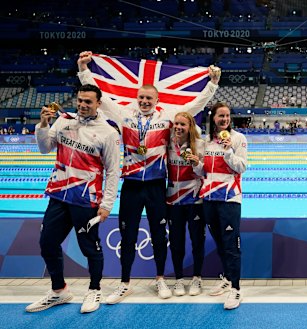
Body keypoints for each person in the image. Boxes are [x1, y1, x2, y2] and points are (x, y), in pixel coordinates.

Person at [77, 51, 219, 303]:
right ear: (137, 97)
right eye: (141, 97)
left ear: (156, 99)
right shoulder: (123, 115)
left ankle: (160, 279)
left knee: (158, 234)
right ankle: (124, 283)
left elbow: (194, 106)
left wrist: (212, 84)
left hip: (156, 186)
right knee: (128, 235)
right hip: (131, 185)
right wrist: (83, 70)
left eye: (149, 98)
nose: (144, 101)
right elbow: (101, 97)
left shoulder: (166, 117)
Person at [26, 84, 121, 313]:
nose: (82, 105)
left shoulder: (108, 132)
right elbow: (44, 148)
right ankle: (59, 290)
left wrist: (107, 205)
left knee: (90, 248)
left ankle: (94, 289)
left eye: (88, 101)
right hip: (59, 195)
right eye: (80, 100)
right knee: (47, 242)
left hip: (86, 200)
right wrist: (43, 125)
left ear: (98, 103)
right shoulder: (64, 120)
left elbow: (113, 171)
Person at [195, 102, 247, 310]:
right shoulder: (206, 142)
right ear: (213, 118)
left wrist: (228, 152)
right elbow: (204, 171)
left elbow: (241, 167)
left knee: (231, 245)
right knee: (219, 242)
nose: (224, 119)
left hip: (229, 198)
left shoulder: (238, 139)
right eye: (220, 116)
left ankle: (236, 289)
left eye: (227, 116)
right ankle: (226, 277)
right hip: (209, 198)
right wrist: (194, 164)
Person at [166, 112, 206, 297]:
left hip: (195, 200)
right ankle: (179, 280)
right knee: (176, 242)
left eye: (183, 124)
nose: (179, 127)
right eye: (177, 124)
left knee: (197, 241)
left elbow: (205, 172)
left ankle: (197, 277)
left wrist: (197, 164)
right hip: (173, 201)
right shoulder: (168, 145)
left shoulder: (200, 145)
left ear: (190, 127)